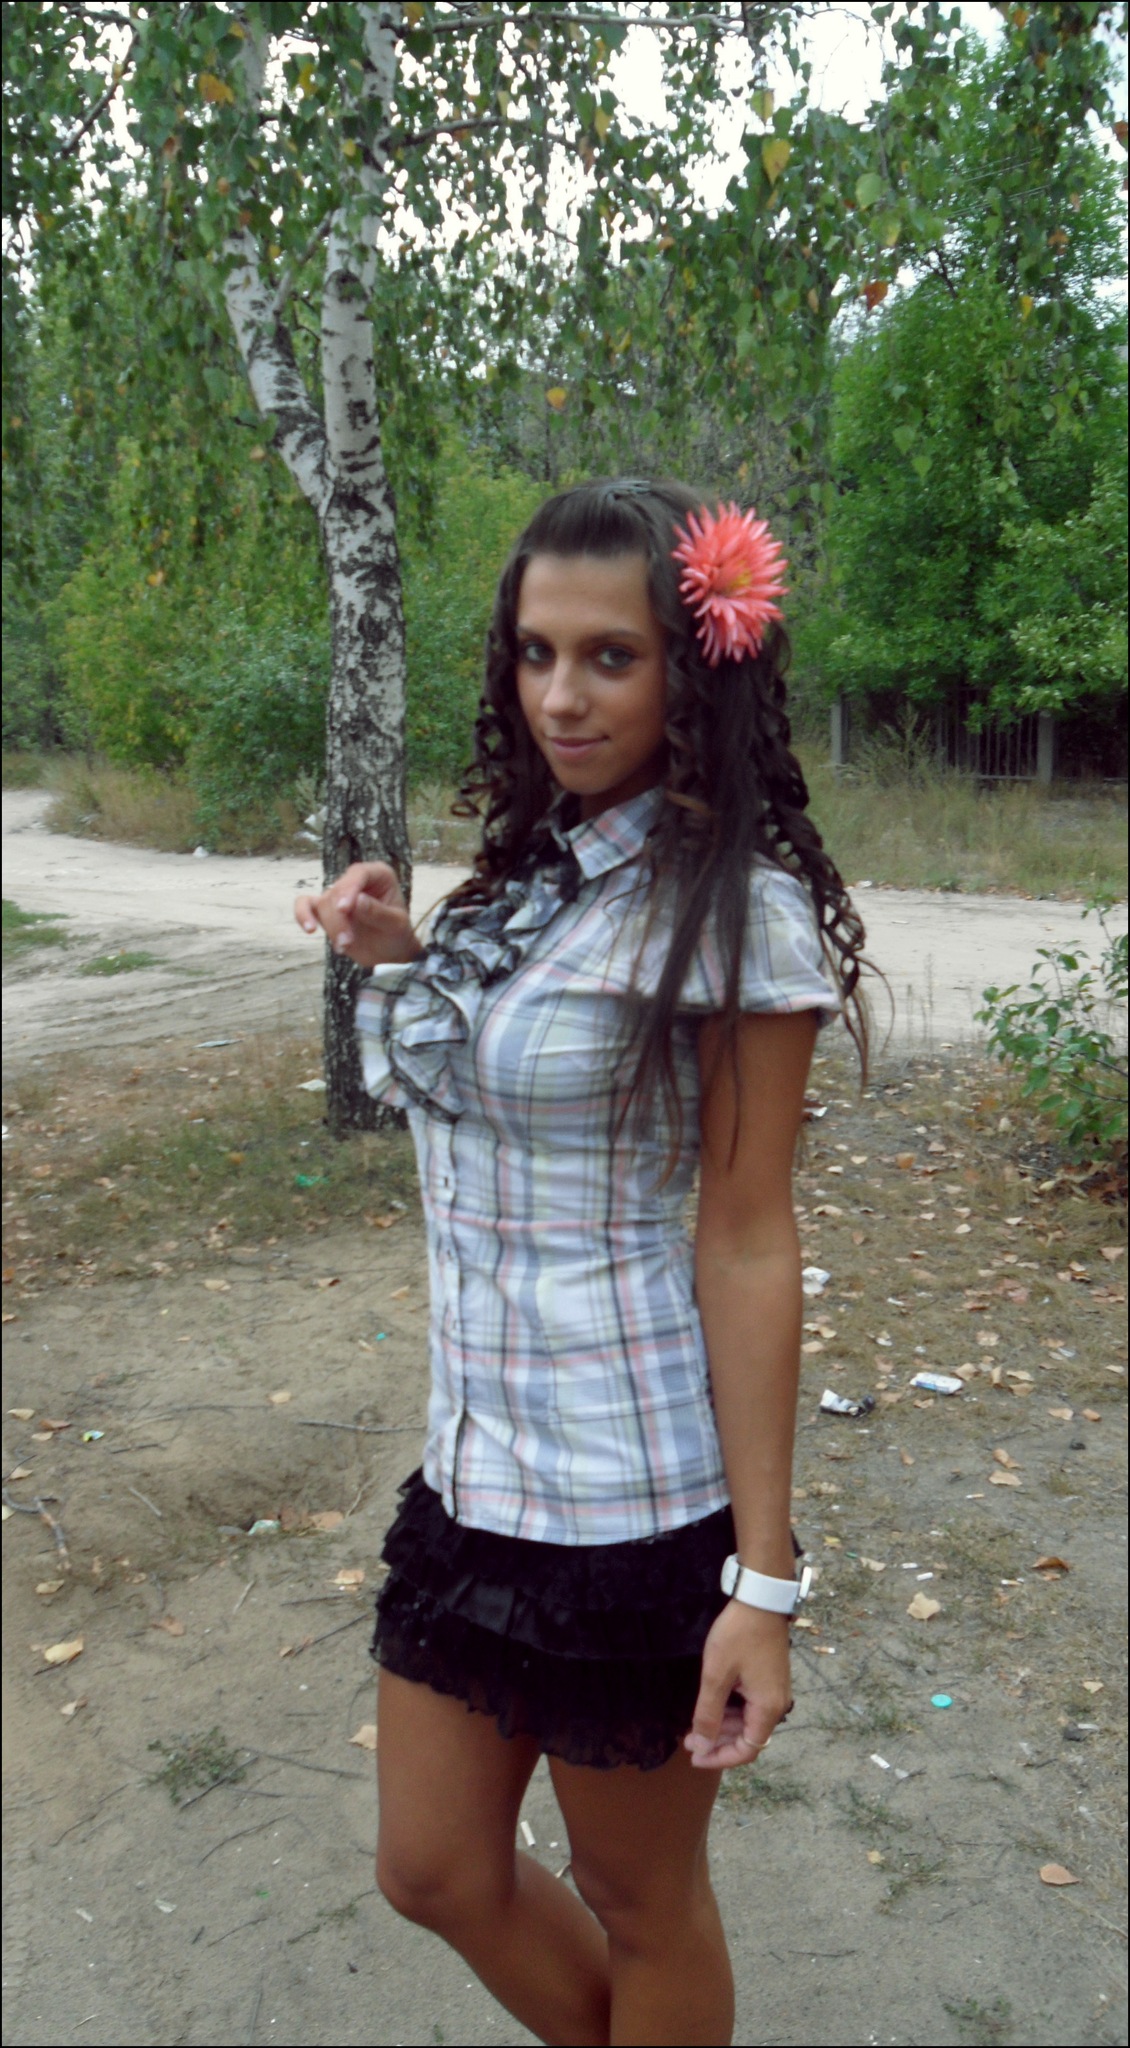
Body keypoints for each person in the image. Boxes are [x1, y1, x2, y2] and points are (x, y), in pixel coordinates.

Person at [295, 480, 866, 2047]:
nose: (561, 694)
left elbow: (745, 1238)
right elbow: (489, 1092)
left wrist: (762, 1585)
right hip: (475, 1478)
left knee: (638, 1900)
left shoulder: (732, 913)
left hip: (632, 1513)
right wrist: (402, 954)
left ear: (696, 668)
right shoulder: (526, 880)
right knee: (429, 1868)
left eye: (610, 655)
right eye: (537, 652)